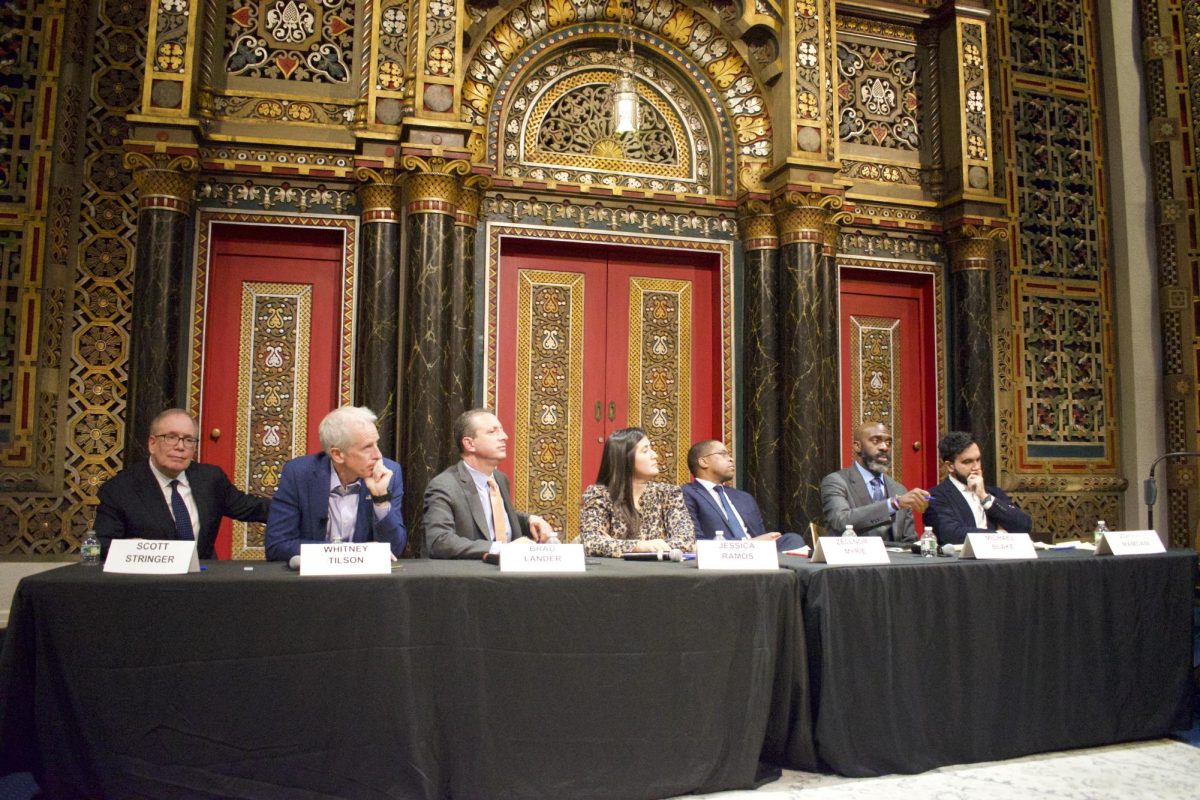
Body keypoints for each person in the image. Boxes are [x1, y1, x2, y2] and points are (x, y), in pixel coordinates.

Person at [95, 408, 270, 559]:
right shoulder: (120, 489)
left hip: (203, 581)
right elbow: (102, 545)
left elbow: (251, 507)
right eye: (171, 437)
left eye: (188, 440)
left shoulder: (210, 478)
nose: (180, 446)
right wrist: (136, 549)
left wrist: (294, 507)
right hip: (149, 585)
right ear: (152, 444)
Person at [264, 405, 406, 561]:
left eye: (376, 444)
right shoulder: (299, 475)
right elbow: (277, 546)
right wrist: (352, 551)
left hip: (366, 582)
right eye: (367, 447)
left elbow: (395, 549)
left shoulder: (389, 473)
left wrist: (381, 500)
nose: (378, 455)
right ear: (338, 455)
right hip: (311, 581)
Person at [423, 409, 555, 558]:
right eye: (493, 432)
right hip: (473, 577)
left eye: (502, 430)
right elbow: (440, 542)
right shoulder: (444, 485)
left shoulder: (499, 479)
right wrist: (501, 549)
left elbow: (491, 518)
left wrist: (530, 519)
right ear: (469, 444)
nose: (504, 437)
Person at [580, 427, 696, 557]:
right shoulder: (599, 495)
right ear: (625, 458)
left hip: (661, 573)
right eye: (645, 451)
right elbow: (591, 543)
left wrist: (615, 544)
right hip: (614, 574)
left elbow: (687, 541)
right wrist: (639, 546)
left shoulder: (668, 493)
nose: (655, 455)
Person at [681, 440, 807, 551]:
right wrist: (748, 544)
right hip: (721, 557)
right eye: (723, 454)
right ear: (703, 462)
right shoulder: (686, 494)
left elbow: (760, 536)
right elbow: (694, 542)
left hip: (757, 555)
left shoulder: (744, 498)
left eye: (729, 455)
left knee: (792, 539)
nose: (731, 459)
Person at [820, 421, 929, 542]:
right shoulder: (836, 482)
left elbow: (909, 540)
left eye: (888, 442)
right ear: (857, 446)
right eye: (876, 441)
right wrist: (892, 504)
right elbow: (841, 522)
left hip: (895, 560)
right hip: (854, 557)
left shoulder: (899, 489)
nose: (885, 447)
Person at [924, 431, 1032, 545]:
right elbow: (950, 534)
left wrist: (984, 497)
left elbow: (1024, 525)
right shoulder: (934, 496)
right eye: (968, 462)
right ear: (950, 466)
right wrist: (999, 536)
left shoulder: (993, 493)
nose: (976, 467)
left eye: (978, 460)